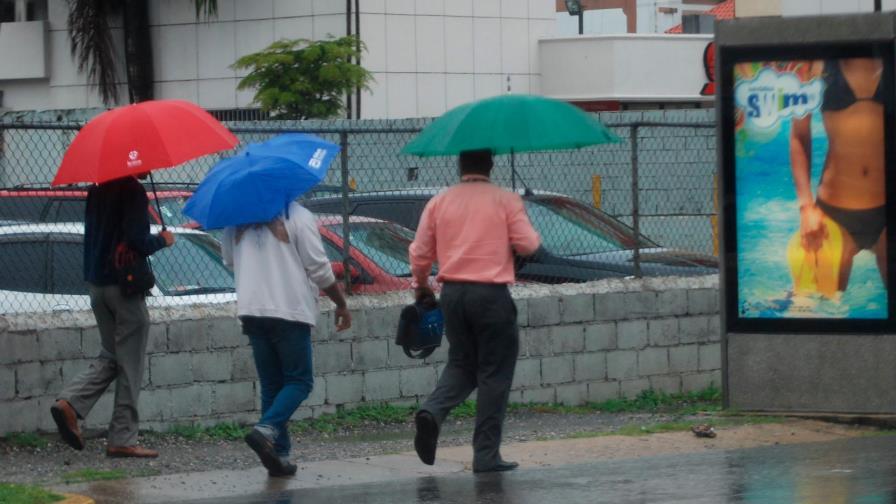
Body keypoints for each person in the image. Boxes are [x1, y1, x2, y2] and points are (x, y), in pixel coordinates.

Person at [409, 149, 541, 473]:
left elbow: (420, 251)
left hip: (452, 293)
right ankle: (485, 454)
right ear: (491, 165)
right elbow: (529, 245)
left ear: (460, 165)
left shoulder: (440, 201)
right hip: (491, 295)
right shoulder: (505, 200)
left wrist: (421, 284)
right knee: (494, 373)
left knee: (462, 362)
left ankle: (433, 411)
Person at [222, 202, 351, 477]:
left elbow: (229, 260)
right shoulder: (298, 215)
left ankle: (279, 455)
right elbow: (318, 267)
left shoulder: (235, 216)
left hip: (252, 309)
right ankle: (265, 430)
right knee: (299, 381)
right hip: (289, 309)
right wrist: (340, 303)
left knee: (272, 385)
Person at [51, 174, 174, 458]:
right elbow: (137, 240)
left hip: (97, 286)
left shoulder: (98, 190)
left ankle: (70, 403)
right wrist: (162, 240)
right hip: (124, 287)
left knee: (111, 355)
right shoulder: (132, 190)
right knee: (130, 365)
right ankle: (122, 438)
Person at [790, 57, 886, 293]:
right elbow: (799, 136)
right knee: (821, 315)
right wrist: (805, 207)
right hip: (832, 217)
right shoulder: (817, 65)